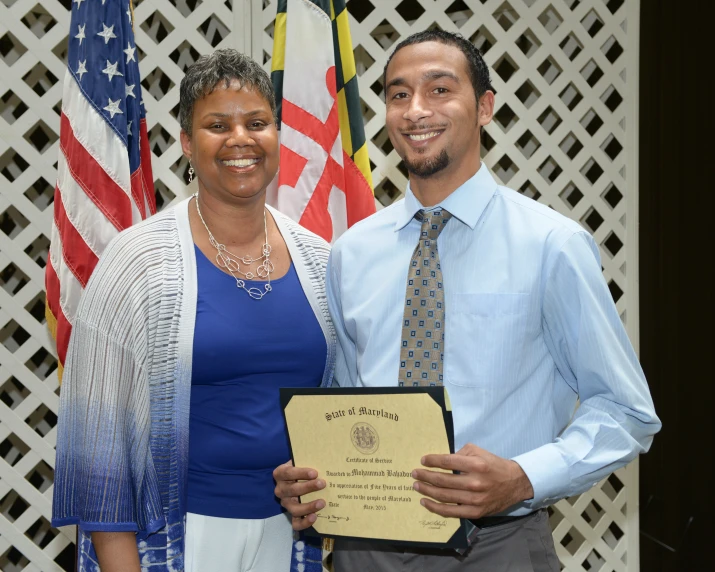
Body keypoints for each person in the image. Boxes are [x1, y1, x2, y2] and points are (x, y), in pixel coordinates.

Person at [274, 29, 661, 571]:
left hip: (497, 546)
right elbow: (343, 394)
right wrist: (313, 469)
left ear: (484, 107)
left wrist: (524, 477)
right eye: (398, 94)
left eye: (439, 90)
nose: (415, 111)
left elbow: (626, 411)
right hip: (367, 546)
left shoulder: (551, 245)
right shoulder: (353, 252)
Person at [52, 49, 334, 572]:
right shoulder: (136, 261)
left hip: (294, 541)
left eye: (257, 122)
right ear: (187, 142)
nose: (240, 139)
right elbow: (98, 446)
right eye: (217, 125)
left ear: (277, 135)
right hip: (180, 539)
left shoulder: (319, 260)